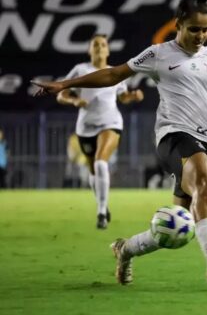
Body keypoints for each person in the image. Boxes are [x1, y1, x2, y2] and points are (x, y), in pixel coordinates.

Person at [32, 0, 207, 285]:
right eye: (194, 29)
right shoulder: (158, 53)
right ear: (177, 25)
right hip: (173, 136)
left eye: (205, 30)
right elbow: (114, 74)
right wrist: (63, 84)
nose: (200, 36)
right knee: (204, 179)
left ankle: (125, 250)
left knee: (177, 229)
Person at [56, 34, 144, 229]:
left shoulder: (114, 72)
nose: (99, 47)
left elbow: (123, 98)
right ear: (89, 50)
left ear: (108, 50)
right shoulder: (81, 70)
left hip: (111, 123)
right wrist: (74, 100)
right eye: (95, 44)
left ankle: (101, 212)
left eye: (103, 44)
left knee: (100, 160)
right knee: (93, 169)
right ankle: (102, 204)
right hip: (86, 126)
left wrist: (133, 96)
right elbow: (61, 94)